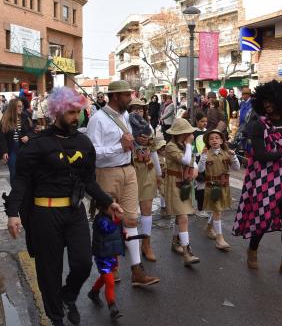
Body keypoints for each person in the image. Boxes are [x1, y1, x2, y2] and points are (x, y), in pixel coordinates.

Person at [5, 86, 123, 326]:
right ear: (56, 112)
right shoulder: (37, 144)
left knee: (82, 263)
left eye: (78, 112)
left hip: (74, 212)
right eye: (70, 112)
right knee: (50, 271)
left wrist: (107, 202)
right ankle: (56, 317)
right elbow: (21, 180)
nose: (75, 117)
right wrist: (12, 213)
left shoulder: (83, 143)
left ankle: (68, 296)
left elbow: (89, 181)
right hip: (44, 215)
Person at [86, 80, 160, 286]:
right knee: (109, 220)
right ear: (116, 96)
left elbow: (130, 142)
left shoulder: (126, 116)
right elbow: (93, 154)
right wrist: (119, 147)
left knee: (131, 220)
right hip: (107, 173)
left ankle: (137, 270)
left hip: (129, 170)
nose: (130, 98)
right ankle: (110, 267)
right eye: (127, 95)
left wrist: (139, 143)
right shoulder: (98, 120)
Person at [233, 80, 282, 280]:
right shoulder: (258, 125)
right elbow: (259, 155)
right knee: (261, 219)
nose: (267, 104)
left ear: (281, 101)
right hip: (264, 180)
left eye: (271, 101)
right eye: (264, 101)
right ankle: (253, 249)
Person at [127, 99, 162, 262]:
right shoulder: (124, 127)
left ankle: (146, 244)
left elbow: (154, 151)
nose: (137, 112)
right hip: (130, 172)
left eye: (140, 109)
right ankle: (127, 241)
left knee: (147, 209)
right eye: (133, 109)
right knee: (130, 212)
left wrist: (159, 174)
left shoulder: (149, 129)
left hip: (147, 171)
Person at [165, 118, 200, 266]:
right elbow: (185, 160)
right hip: (174, 183)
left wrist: (196, 168)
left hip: (184, 183)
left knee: (181, 216)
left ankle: (175, 241)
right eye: (188, 133)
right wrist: (188, 144)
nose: (191, 135)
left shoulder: (183, 145)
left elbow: (192, 160)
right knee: (183, 217)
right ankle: (187, 252)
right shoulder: (171, 146)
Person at [199, 129, 240, 251]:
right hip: (212, 186)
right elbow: (200, 169)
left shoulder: (227, 153)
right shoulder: (206, 154)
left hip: (224, 185)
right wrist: (203, 156)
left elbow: (236, 168)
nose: (214, 140)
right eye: (211, 138)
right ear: (208, 142)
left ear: (222, 140)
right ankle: (219, 239)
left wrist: (234, 157)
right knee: (217, 210)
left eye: (217, 138)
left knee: (218, 209)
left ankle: (208, 227)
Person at [86, 206, 125, 319]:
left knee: (105, 277)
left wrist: (123, 234)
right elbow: (108, 229)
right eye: (111, 207)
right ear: (102, 207)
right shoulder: (101, 220)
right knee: (110, 282)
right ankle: (112, 307)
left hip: (112, 254)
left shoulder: (112, 216)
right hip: (103, 257)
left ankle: (93, 292)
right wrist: (118, 220)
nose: (115, 208)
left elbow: (117, 233)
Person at [0, 98, 34, 186]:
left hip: (24, 149)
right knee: (13, 173)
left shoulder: (25, 117)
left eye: (21, 106)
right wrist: (4, 152)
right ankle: (15, 194)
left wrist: (28, 137)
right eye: (18, 106)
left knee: (25, 172)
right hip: (12, 150)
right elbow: (2, 138)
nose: (21, 108)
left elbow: (32, 131)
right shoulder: (5, 120)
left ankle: (24, 193)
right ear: (13, 107)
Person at [192, 112, 209, 218]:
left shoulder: (208, 132)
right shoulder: (192, 133)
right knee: (199, 184)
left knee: (202, 185)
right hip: (196, 160)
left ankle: (201, 207)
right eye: (202, 121)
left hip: (207, 159)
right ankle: (199, 208)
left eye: (206, 121)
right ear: (197, 121)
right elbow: (192, 147)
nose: (204, 123)